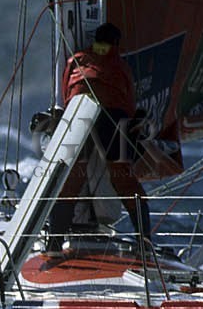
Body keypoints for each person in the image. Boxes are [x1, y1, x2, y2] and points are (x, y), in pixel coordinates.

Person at [53, 22, 152, 247]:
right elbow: (128, 103)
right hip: (114, 119)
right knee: (125, 183)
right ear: (116, 43)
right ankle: (145, 240)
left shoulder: (76, 59)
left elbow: (66, 93)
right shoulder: (120, 65)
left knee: (71, 182)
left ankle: (55, 242)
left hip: (81, 114)